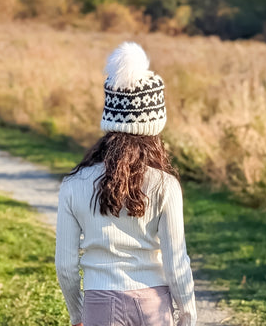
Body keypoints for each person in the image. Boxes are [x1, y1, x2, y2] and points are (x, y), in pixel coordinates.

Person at [55, 42, 197, 326]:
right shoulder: (164, 185)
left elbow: (66, 267)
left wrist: (77, 313)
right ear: (154, 124)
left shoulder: (73, 184)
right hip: (153, 306)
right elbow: (176, 261)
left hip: (99, 303)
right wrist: (188, 315)